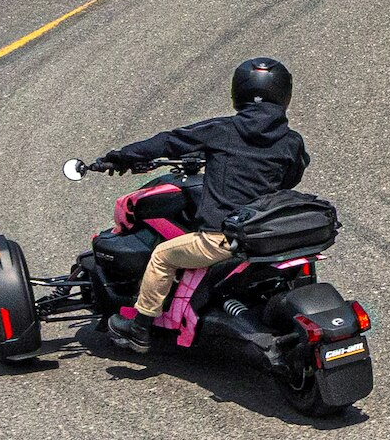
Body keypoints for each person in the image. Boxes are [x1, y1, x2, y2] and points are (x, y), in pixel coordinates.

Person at [87, 55, 309, 352]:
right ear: (284, 94)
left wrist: (119, 157)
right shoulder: (291, 140)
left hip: (223, 239)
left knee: (162, 256)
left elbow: (167, 142)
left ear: (238, 92)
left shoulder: (223, 130)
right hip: (264, 233)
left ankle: (139, 327)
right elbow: (292, 176)